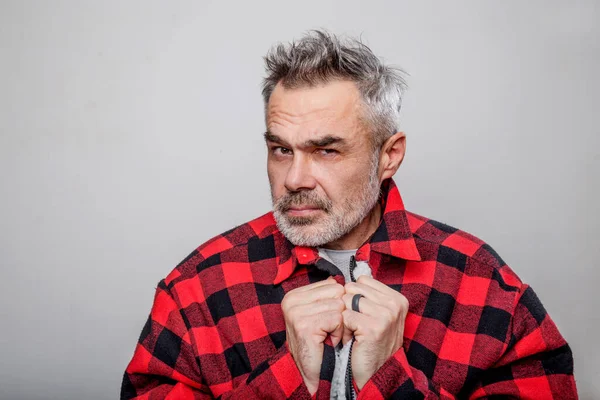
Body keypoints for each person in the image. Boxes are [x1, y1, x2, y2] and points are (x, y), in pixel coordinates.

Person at [121, 30, 577, 399]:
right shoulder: (197, 290)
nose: (295, 178)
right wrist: (287, 377)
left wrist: (390, 378)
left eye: (326, 151)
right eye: (281, 149)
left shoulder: (486, 290)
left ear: (390, 156)